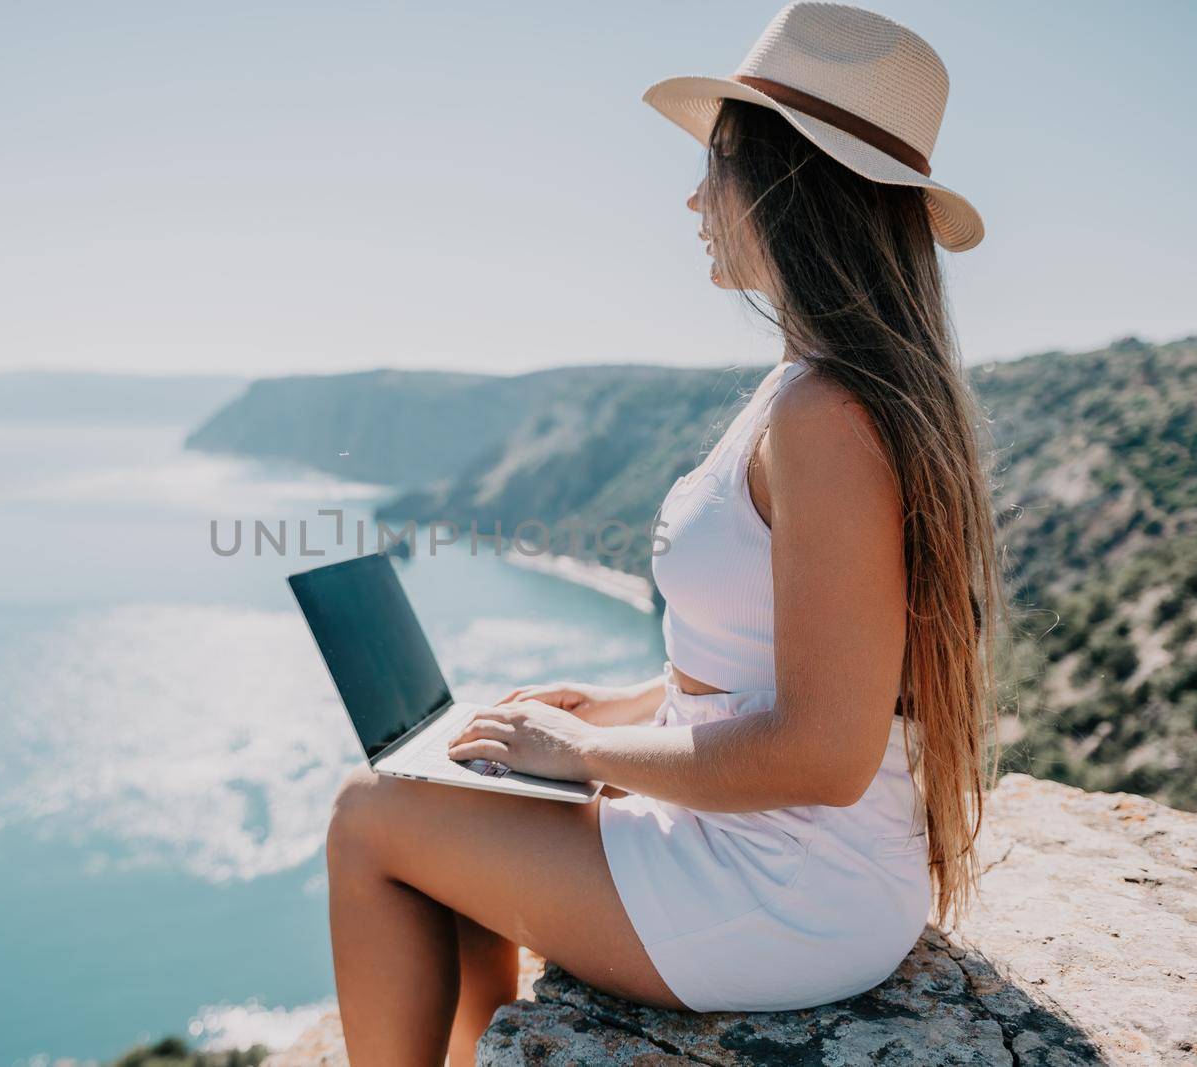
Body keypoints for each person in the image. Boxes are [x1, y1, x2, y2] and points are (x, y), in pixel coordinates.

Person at [324, 4, 1003, 1063]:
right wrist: (614, 704)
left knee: (370, 815)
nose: (693, 196)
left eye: (715, 166)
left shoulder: (825, 416)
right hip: (786, 868)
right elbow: (764, 663)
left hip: (778, 892)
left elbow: (824, 751)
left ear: (783, 183)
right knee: (464, 789)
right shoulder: (824, 392)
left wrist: (588, 752)